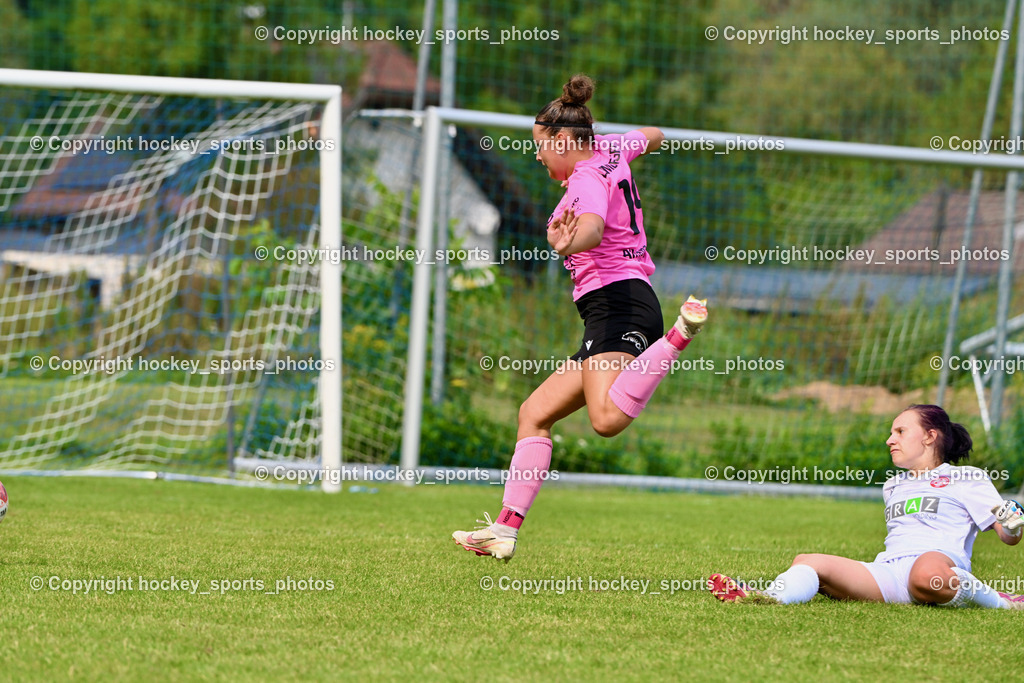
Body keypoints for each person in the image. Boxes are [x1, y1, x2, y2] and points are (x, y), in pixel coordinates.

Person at [452, 74, 707, 562]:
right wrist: (635, 145)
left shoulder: (586, 177)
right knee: (534, 413)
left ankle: (679, 335)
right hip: (613, 307)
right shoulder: (611, 148)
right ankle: (504, 530)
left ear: (566, 141)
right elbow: (652, 133)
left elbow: (590, 225)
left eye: (541, 148)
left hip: (617, 304)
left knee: (606, 419)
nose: (540, 157)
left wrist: (573, 242)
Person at [708, 404, 1024, 608]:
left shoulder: (966, 477)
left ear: (929, 436)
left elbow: (1008, 535)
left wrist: (1013, 522)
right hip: (888, 571)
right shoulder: (893, 485)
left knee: (925, 573)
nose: (890, 439)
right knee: (808, 560)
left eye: (900, 431)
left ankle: (1003, 602)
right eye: (890, 432)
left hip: (936, 568)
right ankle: (769, 598)